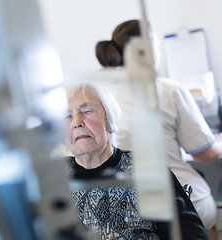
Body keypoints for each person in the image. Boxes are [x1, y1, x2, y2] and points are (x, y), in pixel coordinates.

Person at [95, 19, 222, 240]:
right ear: (148, 49)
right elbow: (204, 153)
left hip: (131, 212)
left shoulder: (100, 95)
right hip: (185, 206)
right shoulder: (169, 90)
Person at [64, 82, 208, 239]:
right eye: (67, 115)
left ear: (109, 120)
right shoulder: (53, 180)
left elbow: (191, 235)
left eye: (87, 111)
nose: (76, 122)